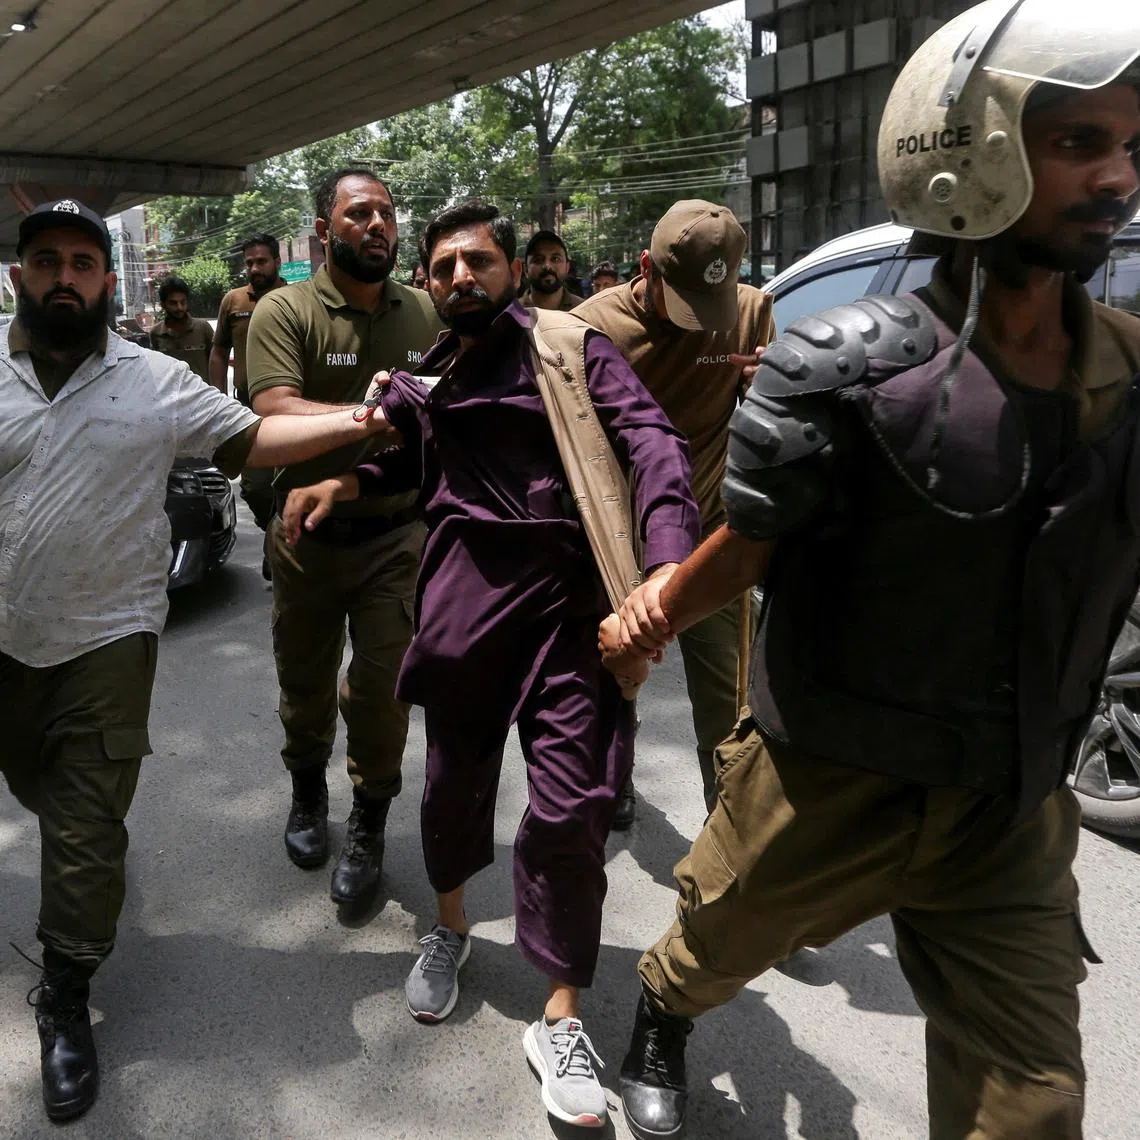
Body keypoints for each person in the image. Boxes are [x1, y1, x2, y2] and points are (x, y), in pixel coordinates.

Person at [610, 8, 1140, 1138]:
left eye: (1128, 147)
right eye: (1079, 144)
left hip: (1013, 802)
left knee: (1034, 1112)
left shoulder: (1129, 374)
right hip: (828, 778)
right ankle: (658, 1013)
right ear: (975, 148)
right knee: (714, 945)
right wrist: (647, 614)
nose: (1118, 178)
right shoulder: (839, 370)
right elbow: (748, 548)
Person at [281, 199, 698, 1128]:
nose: (462, 277)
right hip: (465, 607)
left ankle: (559, 1016)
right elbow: (402, 473)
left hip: (571, 608)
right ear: (428, 286)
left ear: (510, 268)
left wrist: (666, 563)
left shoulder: (569, 348)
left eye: (479, 261)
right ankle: (452, 926)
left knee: (572, 806)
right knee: (454, 785)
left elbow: (653, 443)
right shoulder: (430, 375)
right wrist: (338, 481)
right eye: (444, 268)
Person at [0, 198, 400, 1123]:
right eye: (48, 260)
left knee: (86, 826)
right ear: (22, 275)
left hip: (108, 636)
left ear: (107, 282)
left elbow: (254, 436)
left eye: (85, 263)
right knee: (38, 786)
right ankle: (73, 842)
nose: (67, 276)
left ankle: (66, 991)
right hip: (5, 642)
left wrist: (359, 422)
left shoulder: (150, 379)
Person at [246, 168, 443, 906]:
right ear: (324, 231)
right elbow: (274, 409)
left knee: (384, 690)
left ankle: (368, 821)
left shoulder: (425, 312)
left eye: (387, 214)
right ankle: (306, 793)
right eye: (360, 214)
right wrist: (367, 415)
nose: (378, 226)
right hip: (305, 537)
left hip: (397, 535)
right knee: (304, 685)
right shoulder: (284, 311)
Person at [576, 201, 774, 822]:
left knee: (726, 699)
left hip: (708, 534)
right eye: (684, 302)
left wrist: (776, 385)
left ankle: (727, 831)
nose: (698, 326)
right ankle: (615, 775)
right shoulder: (588, 326)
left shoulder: (748, 312)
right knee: (615, 676)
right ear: (646, 269)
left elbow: (766, 419)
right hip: (617, 540)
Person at [211, 234, 287, 575]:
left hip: (290, 411)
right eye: (250, 263)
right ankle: (276, 538)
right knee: (256, 488)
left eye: (262, 261)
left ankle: (281, 551)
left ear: (277, 262)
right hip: (246, 413)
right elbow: (218, 350)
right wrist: (216, 399)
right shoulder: (233, 301)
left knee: (289, 484)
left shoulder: (294, 297)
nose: (254, 268)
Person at [149, 274, 216, 388]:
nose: (179, 307)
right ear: (163, 305)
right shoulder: (156, 333)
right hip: (171, 398)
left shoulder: (203, 328)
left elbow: (216, 364)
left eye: (183, 302)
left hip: (201, 398)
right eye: (173, 303)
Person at [520, 229, 582, 311]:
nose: (547, 266)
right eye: (538, 260)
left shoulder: (583, 310)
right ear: (526, 269)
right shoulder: (511, 314)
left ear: (567, 267)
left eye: (555, 259)